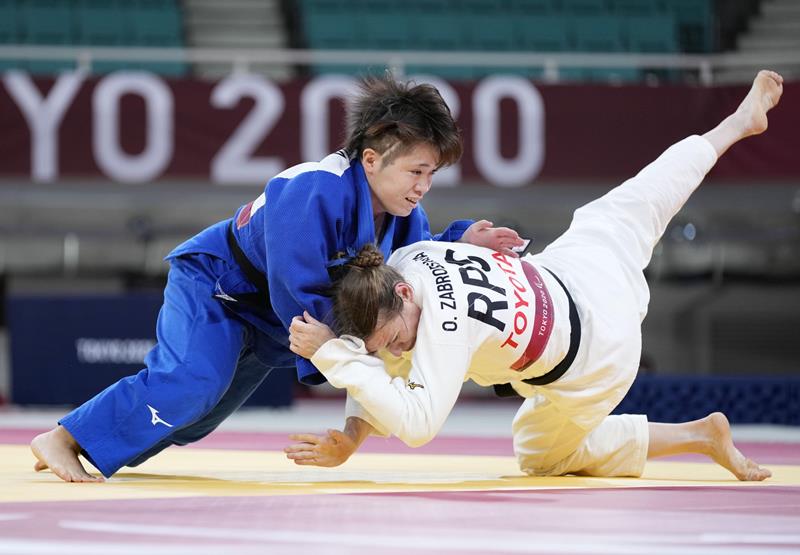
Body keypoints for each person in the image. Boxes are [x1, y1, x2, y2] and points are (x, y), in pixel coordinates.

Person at [286, 70, 783, 481]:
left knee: (539, 451)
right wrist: (351, 413)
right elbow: (385, 354)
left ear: (400, 294)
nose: (397, 351)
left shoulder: (444, 327)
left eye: (394, 338)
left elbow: (417, 425)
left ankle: (696, 436)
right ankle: (735, 125)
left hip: (598, 355)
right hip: (579, 267)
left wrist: (333, 353)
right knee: (645, 194)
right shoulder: (412, 255)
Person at [30, 74, 524, 482]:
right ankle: (65, 437)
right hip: (220, 286)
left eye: (432, 174)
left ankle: (92, 444)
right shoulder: (312, 189)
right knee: (189, 384)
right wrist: (335, 354)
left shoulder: (405, 217)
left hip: (272, 323)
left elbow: (413, 260)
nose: (423, 186)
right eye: (417, 171)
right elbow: (295, 285)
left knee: (196, 419)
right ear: (371, 159)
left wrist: (461, 241)